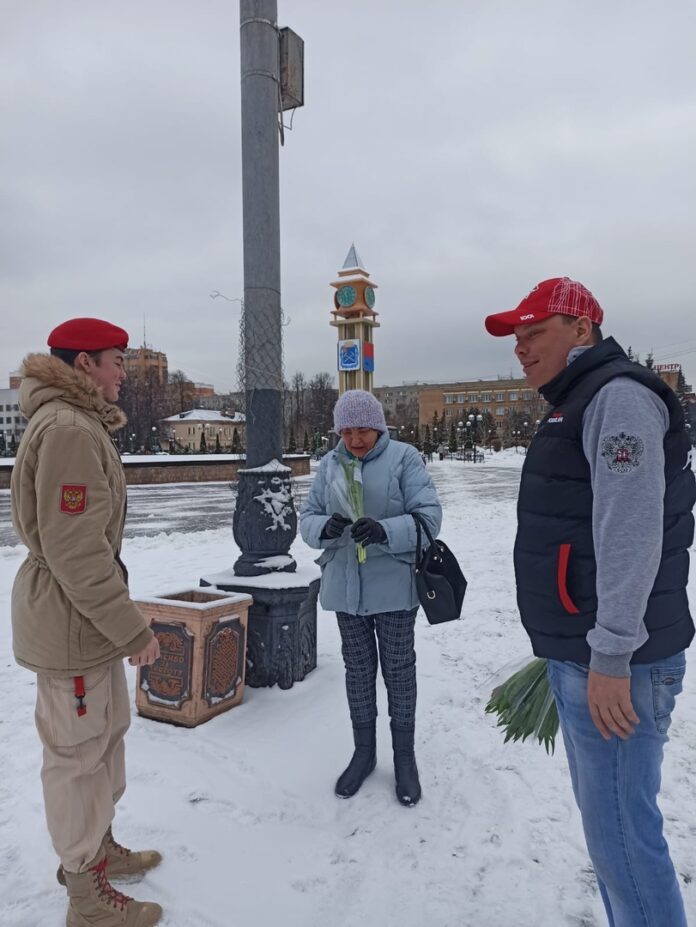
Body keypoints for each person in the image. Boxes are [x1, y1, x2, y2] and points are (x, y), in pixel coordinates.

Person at [485, 277, 694, 927]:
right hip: (596, 654)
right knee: (615, 843)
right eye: (514, 338)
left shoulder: (618, 398)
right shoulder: (581, 398)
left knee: (626, 844)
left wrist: (608, 653)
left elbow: (631, 532)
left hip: (617, 665)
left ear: (582, 329)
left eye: (533, 333)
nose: (520, 349)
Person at [11, 318, 163, 926]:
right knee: (78, 760)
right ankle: (86, 895)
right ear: (82, 366)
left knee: (102, 743)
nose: (124, 373)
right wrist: (133, 630)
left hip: (84, 622)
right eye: (116, 361)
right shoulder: (71, 428)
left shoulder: (77, 423)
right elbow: (76, 551)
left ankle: (95, 850)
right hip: (71, 623)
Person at [300, 390, 442, 806]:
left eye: (362, 429)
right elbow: (307, 517)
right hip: (346, 589)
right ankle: (364, 753)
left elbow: (429, 517)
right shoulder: (330, 464)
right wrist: (324, 527)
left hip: (394, 588)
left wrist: (386, 531)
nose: (354, 439)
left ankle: (404, 758)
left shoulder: (403, 459)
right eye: (346, 430)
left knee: (399, 672)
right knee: (358, 672)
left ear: (379, 427)